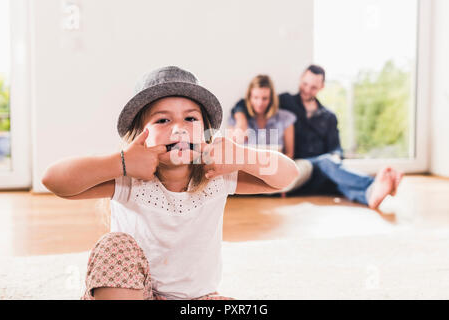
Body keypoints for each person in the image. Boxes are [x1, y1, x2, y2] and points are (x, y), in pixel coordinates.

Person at [41, 66, 299, 300]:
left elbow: (287, 177)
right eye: (163, 120)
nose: (179, 129)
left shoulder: (217, 175)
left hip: (197, 299)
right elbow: (53, 179)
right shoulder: (128, 180)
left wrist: (243, 156)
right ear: (139, 133)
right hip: (136, 294)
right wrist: (121, 162)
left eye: (191, 119)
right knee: (114, 245)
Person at [230, 65, 403, 209]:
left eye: (313, 87)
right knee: (329, 170)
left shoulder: (329, 117)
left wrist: (334, 159)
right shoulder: (286, 102)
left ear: (321, 88)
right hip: (299, 167)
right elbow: (247, 102)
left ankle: (372, 193)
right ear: (300, 80)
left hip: (321, 168)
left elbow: (336, 148)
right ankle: (375, 186)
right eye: (304, 84)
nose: (306, 89)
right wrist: (241, 119)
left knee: (330, 171)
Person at [227, 74, 312, 192]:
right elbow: (232, 154)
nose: (260, 103)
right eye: (255, 97)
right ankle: (269, 189)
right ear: (249, 97)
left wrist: (270, 169)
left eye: (264, 98)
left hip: (276, 172)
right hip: (248, 173)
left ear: (271, 98)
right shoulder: (237, 118)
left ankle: (265, 188)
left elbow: (289, 154)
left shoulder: (285, 118)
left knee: (304, 167)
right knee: (231, 176)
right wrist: (241, 124)